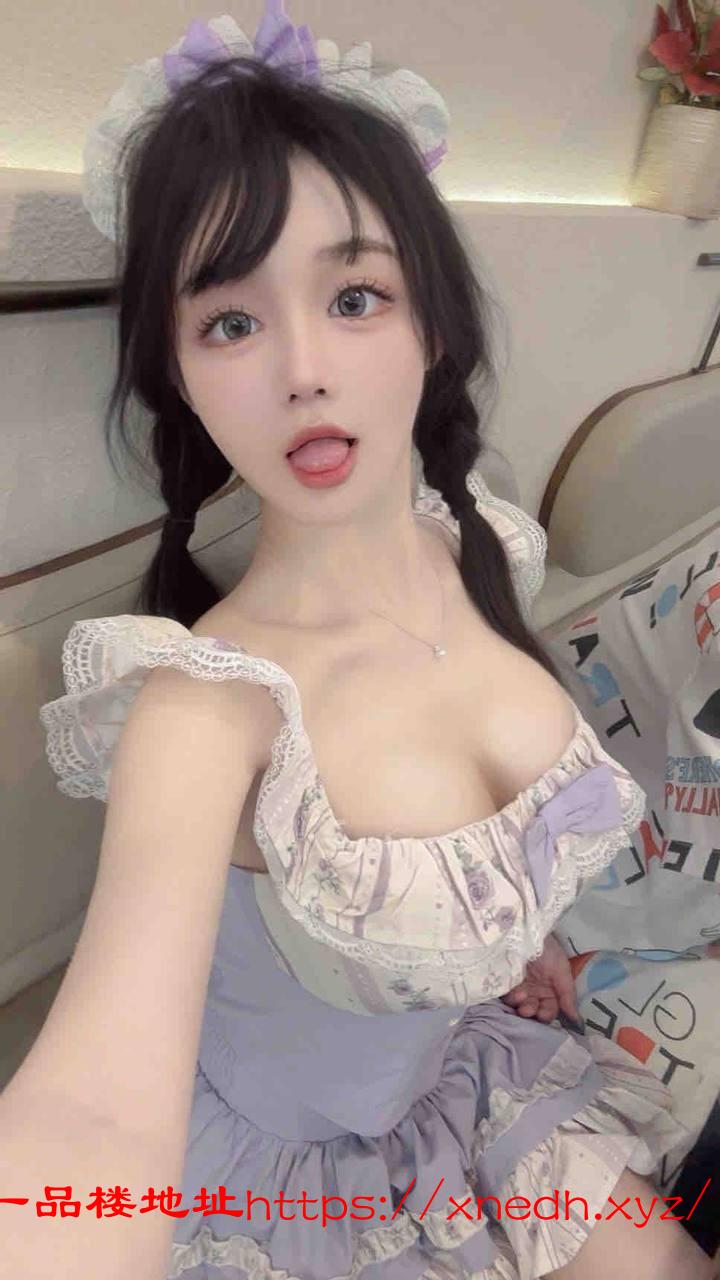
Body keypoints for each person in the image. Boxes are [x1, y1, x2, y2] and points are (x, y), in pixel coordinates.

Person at [2, 6, 716, 1278]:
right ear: (180, 373)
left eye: (353, 296)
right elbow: (91, 1115)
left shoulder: (481, 539)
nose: (304, 369)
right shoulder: (203, 711)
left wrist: (520, 943)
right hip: (289, 1183)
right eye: (230, 322)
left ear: (430, 323)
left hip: (468, 1080)